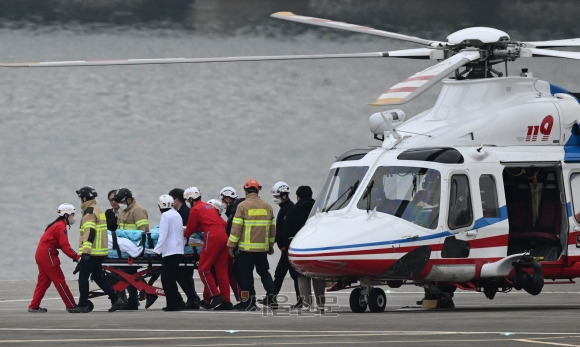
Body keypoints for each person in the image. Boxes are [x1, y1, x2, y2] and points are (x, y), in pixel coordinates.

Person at [71, 186, 126, 313]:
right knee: (98, 276)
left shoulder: (89, 211)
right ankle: (115, 299)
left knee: (83, 277)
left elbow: (89, 232)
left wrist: (85, 252)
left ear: (84, 198)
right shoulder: (98, 210)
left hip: (92, 251)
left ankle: (83, 304)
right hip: (100, 251)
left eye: (80, 198)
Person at [227, 179, 276, 311]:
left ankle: (248, 302)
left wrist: (231, 246)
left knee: (246, 278)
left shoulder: (242, 206)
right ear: (258, 190)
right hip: (262, 249)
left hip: (245, 250)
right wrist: (270, 246)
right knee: (264, 272)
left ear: (246, 190)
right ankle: (272, 295)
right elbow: (272, 230)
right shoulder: (267, 206)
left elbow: (235, 229)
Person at [184, 187, 232, 310]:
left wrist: (183, 233)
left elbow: (190, 230)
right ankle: (226, 301)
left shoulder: (195, 209)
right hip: (223, 237)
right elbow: (222, 223)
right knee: (222, 271)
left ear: (190, 199)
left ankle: (215, 295)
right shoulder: (209, 206)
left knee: (203, 269)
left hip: (212, 237)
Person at [29, 203, 81, 313]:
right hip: (47, 255)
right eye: (72, 214)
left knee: (44, 282)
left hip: (41, 254)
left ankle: (34, 306)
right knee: (60, 281)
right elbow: (65, 246)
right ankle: (71, 305)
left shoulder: (57, 225)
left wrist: (74, 256)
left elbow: (61, 245)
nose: (74, 217)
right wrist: (77, 257)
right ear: (66, 215)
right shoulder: (60, 227)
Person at [283, 186, 324, 312]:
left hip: (302, 249)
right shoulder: (320, 211)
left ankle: (307, 305)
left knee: (302, 276)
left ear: (298, 196)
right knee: (318, 277)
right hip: (318, 248)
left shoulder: (293, 211)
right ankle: (321, 305)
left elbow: (286, 231)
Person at [114, 187, 149, 310]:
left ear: (129, 200)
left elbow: (143, 231)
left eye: (121, 202)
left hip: (135, 248)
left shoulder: (138, 211)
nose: (120, 205)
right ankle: (133, 300)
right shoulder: (123, 211)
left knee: (129, 273)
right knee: (127, 274)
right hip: (125, 248)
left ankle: (135, 299)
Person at [166, 187, 202, 310]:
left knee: (182, 274)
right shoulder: (183, 211)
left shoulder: (184, 213)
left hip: (187, 248)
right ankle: (192, 299)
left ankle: (193, 298)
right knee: (184, 275)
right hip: (185, 247)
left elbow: (188, 230)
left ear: (176, 200)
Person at [269, 181, 301, 307]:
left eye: (277, 197)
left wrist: (281, 243)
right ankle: (271, 298)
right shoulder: (286, 208)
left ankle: (272, 298)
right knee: (281, 274)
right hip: (285, 248)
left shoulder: (289, 209)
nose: (275, 199)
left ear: (283, 195)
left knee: (288, 274)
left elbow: (285, 230)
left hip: (287, 248)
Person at [153, 195, 186, 311]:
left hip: (170, 251)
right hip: (178, 250)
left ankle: (173, 304)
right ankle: (177, 302)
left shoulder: (165, 216)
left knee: (167, 279)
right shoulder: (176, 214)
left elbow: (163, 235)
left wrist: (157, 250)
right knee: (170, 278)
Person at [219, 186, 243, 303]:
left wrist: (231, 248)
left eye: (223, 199)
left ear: (228, 199)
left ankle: (244, 299)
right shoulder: (235, 210)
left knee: (238, 276)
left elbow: (233, 231)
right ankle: (243, 299)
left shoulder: (233, 212)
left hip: (237, 248)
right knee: (239, 276)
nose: (222, 202)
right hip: (243, 247)